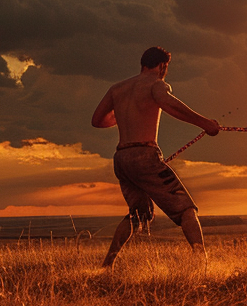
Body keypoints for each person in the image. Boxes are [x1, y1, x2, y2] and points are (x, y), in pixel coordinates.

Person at [91, 46, 220, 268]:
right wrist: (205, 123)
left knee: (137, 214)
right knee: (187, 210)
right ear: (162, 66)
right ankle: (202, 265)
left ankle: (107, 266)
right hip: (145, 155)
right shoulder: (156, 84)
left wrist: (123, 116)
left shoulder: (117, 89)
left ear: (143, 64)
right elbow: (169, 104)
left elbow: (97, 120)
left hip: (121, 157)